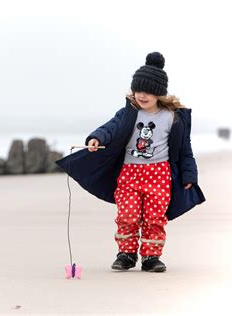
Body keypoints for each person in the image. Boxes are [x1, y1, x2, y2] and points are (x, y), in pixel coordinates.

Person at [55, 52, 205, 273]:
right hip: (129, 173)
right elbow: (110, 128)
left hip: (159, 174)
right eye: (139, 90)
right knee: (128, 214)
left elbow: (185, 149)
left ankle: (151, 257)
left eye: (149, 91)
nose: (142, 95)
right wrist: (96, 138)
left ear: (159, 93)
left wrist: (190, 175)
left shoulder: (172, 117)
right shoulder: (129, 113)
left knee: (155, 217)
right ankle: (126, 253)